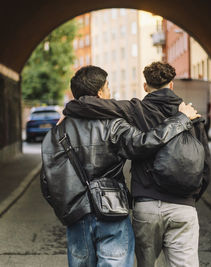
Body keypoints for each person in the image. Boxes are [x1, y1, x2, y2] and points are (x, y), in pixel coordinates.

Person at [40, 65, 200, 267]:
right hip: (112, 213)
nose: (110, 92)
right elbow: (144, 143)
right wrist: (180, 120)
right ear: (100, 92)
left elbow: (47, 180)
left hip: (76, 217)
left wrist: (67, 205)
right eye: (108, 87)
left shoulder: (56, 132)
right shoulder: (113, 125)